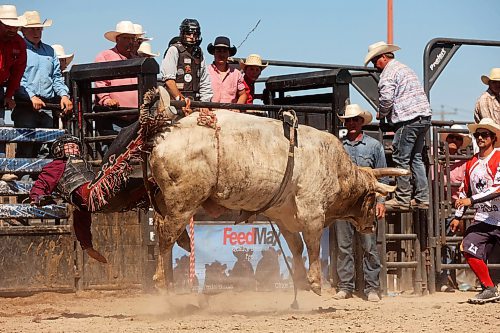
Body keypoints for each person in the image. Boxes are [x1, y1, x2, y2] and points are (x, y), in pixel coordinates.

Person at [365, 41, 432, 210]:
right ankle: (422, 197)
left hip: (407, 119)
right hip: (423, 116)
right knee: (416, 158)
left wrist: (383, 112)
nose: (375, 66)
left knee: (401, 158)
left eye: (375, 61)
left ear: (383, 57)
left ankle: (402, 198)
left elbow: (387, 98)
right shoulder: (405, 69)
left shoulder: (388, 74)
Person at [333, 104, 386, 302]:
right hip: (343, 203)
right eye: (349, 120)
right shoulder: (338, 146)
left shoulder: (374, 146)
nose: (352, 123)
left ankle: (372, 287)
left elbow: (383, 178)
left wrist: (381, 201)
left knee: (369, 246)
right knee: (344, 246)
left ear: (361, 122)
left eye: (355, 119)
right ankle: (345, 286)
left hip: (367, 203)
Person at [29, 134, 107, 263]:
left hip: (90, 194)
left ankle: (87, 247)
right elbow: (42, 183)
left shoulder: (86, 164)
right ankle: (88, 247)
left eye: (77, 147)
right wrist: (36, 197)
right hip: (83, 195)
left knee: (82, 214)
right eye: (71, 147)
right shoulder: (56, 165)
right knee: (81, 215)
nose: (75, 149)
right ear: (59, 150)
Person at [451, 118, 500, 302]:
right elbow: (465, 189)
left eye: (484, 134)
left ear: (493, 138)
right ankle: (489, 288)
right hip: (484, 218)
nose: (480, 138)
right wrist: (458, 216)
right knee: (467, 246)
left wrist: (469, 201)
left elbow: (497, 188)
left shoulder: (499, 157)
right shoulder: (472, 162)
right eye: (477, 134)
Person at [14, 10, 72, 158]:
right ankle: (25, 180)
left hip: (46, 105)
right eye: (32, 29)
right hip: (25, 105)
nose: (36, 32)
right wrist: (31, 96)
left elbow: (56, 77)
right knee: (26, 148)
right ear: (23, 30)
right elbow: (17, 77)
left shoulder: (50, 51)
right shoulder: (19, 49)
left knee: (45, 150)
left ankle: (40, 181)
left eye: (39, 29)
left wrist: (64, 95)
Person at [438, 125, 472, 292]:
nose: (454, 140)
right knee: (439, 244)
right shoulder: (437, 161)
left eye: (458, 138)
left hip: (455, 208)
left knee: (452, 245)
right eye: (452, 137)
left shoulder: (465, 163)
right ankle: (444, 280)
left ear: (461, 143)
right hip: (438, 207)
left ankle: (446, 280)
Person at [94, 20, 142, 135]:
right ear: (117, 39)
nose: (130, 42)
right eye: (126, 38)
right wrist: (106, 99)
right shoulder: (105, 56)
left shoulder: (137, 60)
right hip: (114, 116)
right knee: (112, 147)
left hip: (136, 118)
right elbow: (100, 82)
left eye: (132, 39)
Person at [0, 5, 26, 180]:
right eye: (7, 25)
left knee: (1, 127)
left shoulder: (18, 43)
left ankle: (2, 168)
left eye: (14, 26)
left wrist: (9, 94)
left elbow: (18, 71)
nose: (12, 29)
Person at [160, 18, 212, 103]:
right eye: (189, 34)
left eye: (195, 34)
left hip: (196, 101)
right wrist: (180, 100)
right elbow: (169, 81)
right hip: (174, 101)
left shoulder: (198, 53)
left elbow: (205, 81)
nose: (192, 37)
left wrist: (204, 103)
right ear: (182, 34)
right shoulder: (174, 50)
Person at [207, 36, 247, 106]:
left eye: (224, 51)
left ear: (229, 54)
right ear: (214, 53)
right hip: (210, 113)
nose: (221, 54)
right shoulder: (205, 72)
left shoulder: (236, 74)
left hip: (230, 114)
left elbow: (243, 95)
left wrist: (237, 108)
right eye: (218, 51)